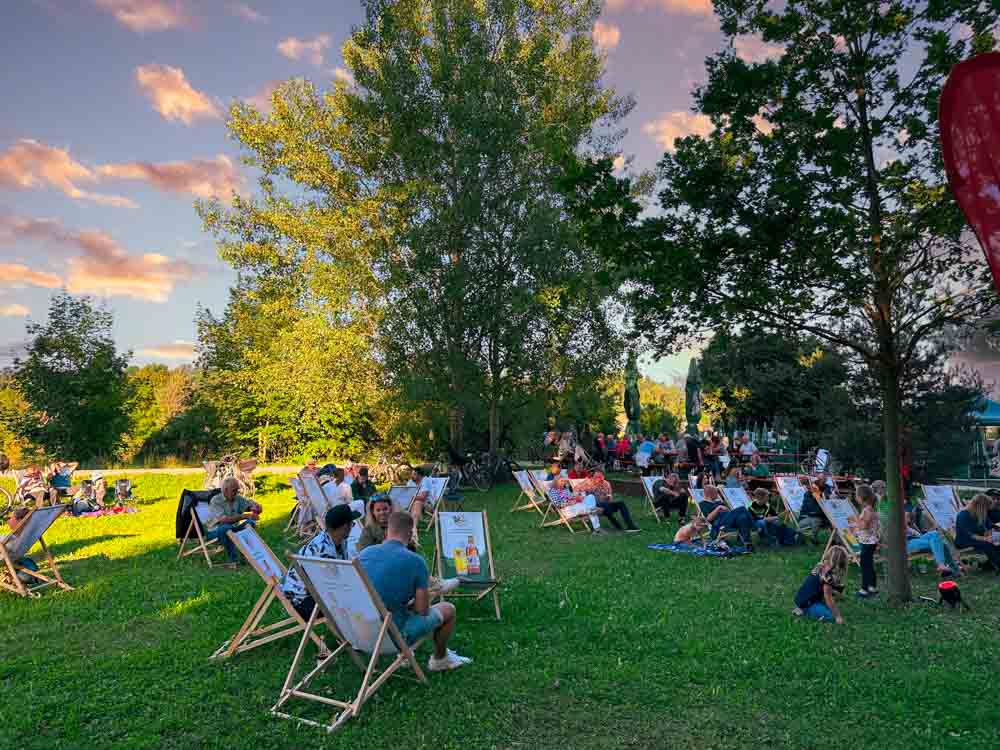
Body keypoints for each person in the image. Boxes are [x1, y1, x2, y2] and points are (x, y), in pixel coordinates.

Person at [359, 512, 472, 671]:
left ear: (387, 532)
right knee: (448, 609)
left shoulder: (365, 554)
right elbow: (422, 611)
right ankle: (440, 659)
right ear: (411, 534)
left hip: (361, 632)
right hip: (393, 637)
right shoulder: (415, 561)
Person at [281, 505, 361, 621]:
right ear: (344, 527)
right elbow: (332, 586)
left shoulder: (338, 540)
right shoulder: (323, 552)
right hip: (302, 603)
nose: (352, 527)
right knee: (353, 601)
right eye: (351, 524)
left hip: (313, 595)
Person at [205, 477, 263, 563]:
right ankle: (233, 559)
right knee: (225, 528)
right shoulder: (216, 501)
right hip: (216, 531)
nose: (236, 493)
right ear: (225, 490)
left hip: (233, 529)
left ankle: (248, 556)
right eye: (234, 490)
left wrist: (256, 507)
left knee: (250, 523)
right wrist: (244, 516)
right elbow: (224, 520)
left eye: (237, 490)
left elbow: (249, 505)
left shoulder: (236, 498)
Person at [793, 546, 847, 624]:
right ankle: (804, 610)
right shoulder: (828, 577)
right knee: (831, 616)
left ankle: (806, 607)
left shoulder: (821, 565)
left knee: (829, 601)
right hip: (807, 602)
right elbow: (828, 598)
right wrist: (837, 616)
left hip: (801, 597)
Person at [954, 494, 1000, 572]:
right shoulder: (963, 515)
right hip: (964, 541)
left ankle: (989, 565)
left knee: (997, 543)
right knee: (987, 544)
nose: (987, 510)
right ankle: (997, 564)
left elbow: (988, 526)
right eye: (986, 508)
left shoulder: (981, 514)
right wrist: (986, 539)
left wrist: (989, 534)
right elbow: (970, 535)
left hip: (979, 539)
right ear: (980, 506)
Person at [850, 484, 880, 597]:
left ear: (862, 497)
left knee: (865, 565)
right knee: (869, 564)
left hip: (868, 542)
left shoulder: (867, 510)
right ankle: (872, 586)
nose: (855, 497)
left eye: (856, 495)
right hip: (869, 541)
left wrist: (855, 521)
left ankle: (864, 589)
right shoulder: (870, 509)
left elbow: (865, 526)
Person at [1, 507, 39, 582]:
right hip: (13, 556)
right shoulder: (25, 537)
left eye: (11, 518)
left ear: (19, 521)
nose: (8, 521)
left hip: (6, 556)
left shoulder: (9, 540)